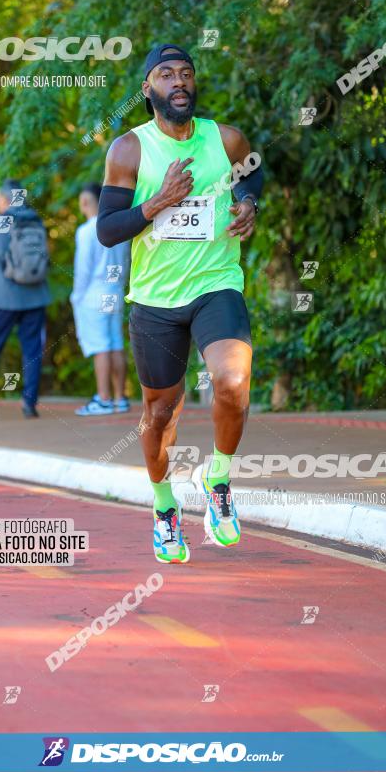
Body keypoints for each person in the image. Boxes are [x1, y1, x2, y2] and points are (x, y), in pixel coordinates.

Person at [96, 44, 263, 564]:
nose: (179, 82)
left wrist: (248, 203)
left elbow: (252, 172)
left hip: (217, 283)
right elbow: (106, 230)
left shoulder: (225, 138)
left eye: (186, 73)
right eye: (166, 75)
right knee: (159, 411)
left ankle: (219, 481)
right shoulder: (128, 150)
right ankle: (165, 508)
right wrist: (157, 202)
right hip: (155, 299)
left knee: (232, 384)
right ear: (148, 89)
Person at [0, 179, 51, 419]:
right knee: (32, 351)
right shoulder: (35, 221)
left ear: (5, 199)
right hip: (35, 296)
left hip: (2, 298)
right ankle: (30, 404)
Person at [71, 182, 130, 416]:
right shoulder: (119, 229)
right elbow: (126, 263)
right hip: (114, 292)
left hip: (93, 294)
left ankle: (103, 399)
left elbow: (83, 269)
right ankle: (119, 397)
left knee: (100, 346)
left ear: (85, 201)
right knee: (115, 342)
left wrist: (76, 296)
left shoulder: (86, 231)